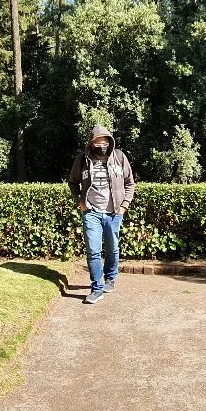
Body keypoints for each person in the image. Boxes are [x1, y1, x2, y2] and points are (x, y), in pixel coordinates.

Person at [67, 125, 136, 304]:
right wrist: (81, 202)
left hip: (114, 213)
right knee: (93, 250)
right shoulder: (83, 160)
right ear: (91, 143)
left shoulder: (119, 157)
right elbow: (73, 182)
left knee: (112, 248)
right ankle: (96, 289)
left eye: (105, 142)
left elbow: (130, 183)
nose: (102, 146)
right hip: (91, 212)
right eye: (98, 143)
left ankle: (110, 279)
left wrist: (123, 206)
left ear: (110, 142)